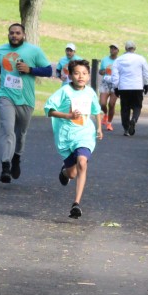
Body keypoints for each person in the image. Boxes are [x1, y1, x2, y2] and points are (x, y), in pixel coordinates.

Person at [0, 23, 53, 183]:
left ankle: (17, 157)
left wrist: (30, 70)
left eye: (18, 33)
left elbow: (48, 70)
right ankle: (5, 166)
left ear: (24, 35)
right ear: (8, 34)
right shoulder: (0, 50)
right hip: (5, 95)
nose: (14, 35)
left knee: (20, 134)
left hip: (26, 99)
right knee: (8, 130)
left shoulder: (34, 51)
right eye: (11, 33)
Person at [44, 59, 103, 218]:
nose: (81, 76)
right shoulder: (64, 91)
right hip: (66, 136)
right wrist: (68, 116)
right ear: (70, 75)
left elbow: (96, 110)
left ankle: (76, 203)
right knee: (71, 174)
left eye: (84, 73)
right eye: (76, 73)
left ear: (89, 76)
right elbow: (49, 110)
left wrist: (99, 127)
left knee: (82, 162)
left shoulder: (90, 92)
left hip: (85, 134)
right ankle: (64, 172)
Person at [109, 41, 148, 136]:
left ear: (125, 48)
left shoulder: (119, 60)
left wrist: (115, 87)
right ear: (134, 48)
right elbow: (146, 73)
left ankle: (126, 128)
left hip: (124, 87)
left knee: (125, 108)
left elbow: (115, 75)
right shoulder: (141, 59)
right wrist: (146, 84)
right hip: (137, 86)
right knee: (137, 106)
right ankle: (134, 119)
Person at [98, 43, 120, 132]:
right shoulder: (105, 60)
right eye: (111, 48)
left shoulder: (120, 61)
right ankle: (105, 114)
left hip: (115, 84)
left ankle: (109, 123)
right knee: (102, 103)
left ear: (118, 51)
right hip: (105, 83)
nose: (112, 50)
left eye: (114, 48)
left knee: (111, 104)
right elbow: (100, 71)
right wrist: (103, 71)